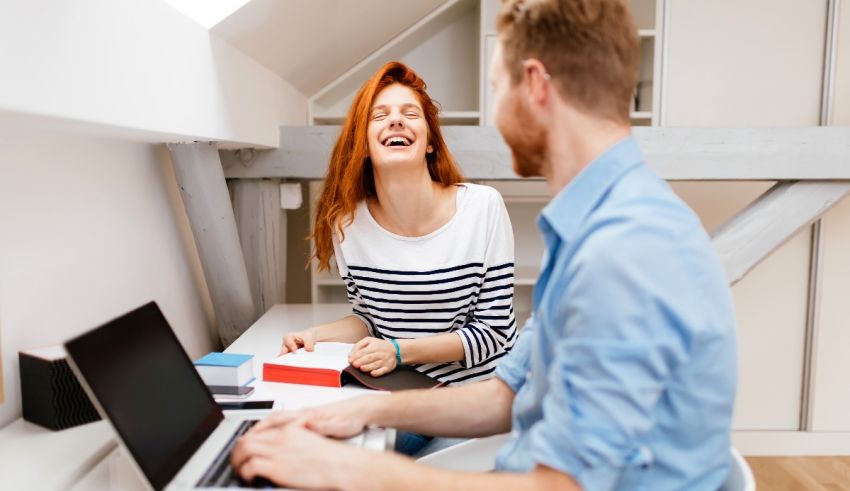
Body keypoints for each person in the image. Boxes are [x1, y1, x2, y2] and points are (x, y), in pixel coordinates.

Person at [233, 0, 738, 489]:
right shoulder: (595, 226)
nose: (496, 114)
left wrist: (351, 471)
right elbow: (503, 396)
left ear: (535, 86)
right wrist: (367, 408)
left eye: (498, 88)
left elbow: (564, 486)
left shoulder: (625, 249)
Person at [279, 61, 518, 454]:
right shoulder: (347, 223)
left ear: (429, 142)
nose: (396, 122)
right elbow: (369, 318)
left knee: (350, 460)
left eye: (410, 115)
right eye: (380, 116)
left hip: (473, 397)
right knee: (301, 443)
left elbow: (493, 334)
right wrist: (314, 336)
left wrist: (399, 351)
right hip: (395, 389)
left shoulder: (482, 208)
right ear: (364, 144)